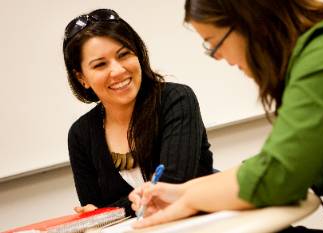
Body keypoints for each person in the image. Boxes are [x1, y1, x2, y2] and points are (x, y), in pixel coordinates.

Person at [128, 0, 323, 231]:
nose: (220, 57)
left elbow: (279, 174)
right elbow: (273, 161)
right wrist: (183, 192)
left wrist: (190, 200)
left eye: (214, 44)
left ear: (250, 19)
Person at [62, 8, 213, 217]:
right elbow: (93, 213)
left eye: (124, 54)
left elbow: (171, 188)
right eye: (100, 65)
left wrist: (111, 211)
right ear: (82, 78)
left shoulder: (176, 99)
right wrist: (100, 213)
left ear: (138, 54)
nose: (117, 70)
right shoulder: (81, 134)